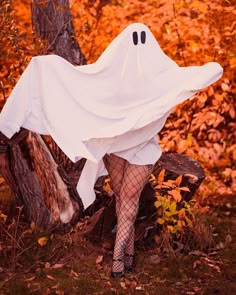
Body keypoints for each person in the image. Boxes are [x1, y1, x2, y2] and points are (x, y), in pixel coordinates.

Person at [0, 23, 223, 277]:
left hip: (144, 151)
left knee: (129, 198)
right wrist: (42, 68)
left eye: (143, 40)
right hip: (117, 149)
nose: (138, 48)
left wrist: (210, 69)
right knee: (121, 198)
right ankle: (128, 253)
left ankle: (117, 262)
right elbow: (82, 81)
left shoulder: (158, 76)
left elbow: (202, 73)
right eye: (133, 41)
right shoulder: (114, 81)